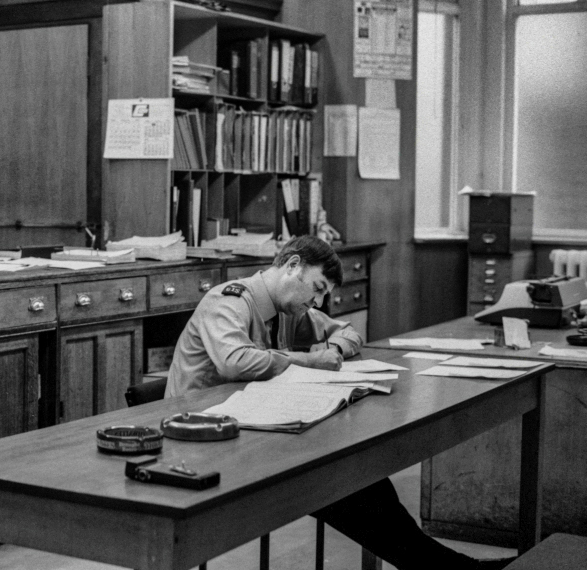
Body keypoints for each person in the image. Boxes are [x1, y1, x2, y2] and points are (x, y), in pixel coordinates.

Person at [165, 235, 515, 570]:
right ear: (292, 265)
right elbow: (236, 361)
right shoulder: (228, 300)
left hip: (253, 431)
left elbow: (347, 331)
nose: (316, 303)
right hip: (200, 441)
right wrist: (309, 360)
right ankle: (451, 569)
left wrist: (332, 350)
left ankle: (448, 568)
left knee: (358, 476)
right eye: (317, 289)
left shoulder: (289, 309)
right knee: (341, 485)